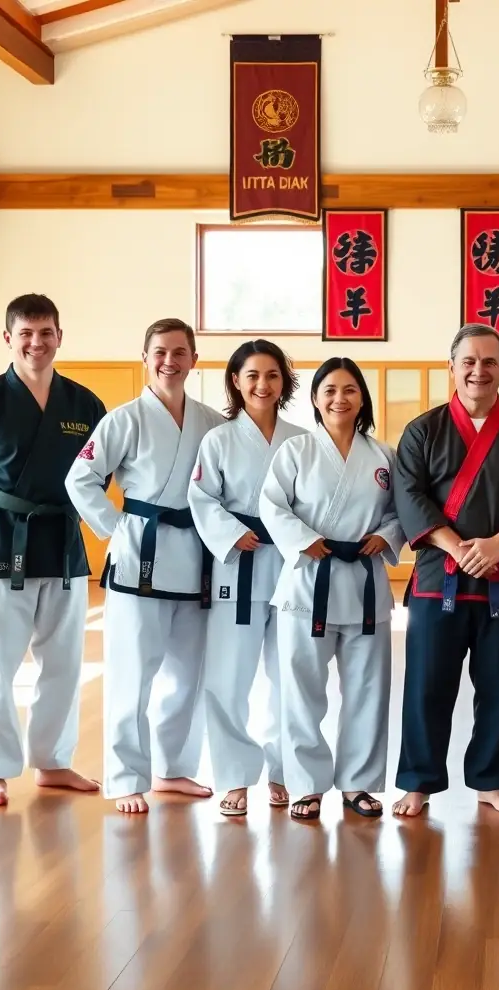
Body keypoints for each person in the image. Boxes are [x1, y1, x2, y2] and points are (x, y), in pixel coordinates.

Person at [0, 293, 106, 808]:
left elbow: (99, 472)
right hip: (1, 543)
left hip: (62, 543)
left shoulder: (84, 405)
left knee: (64, 660)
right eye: (26, 333)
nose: (37, 343)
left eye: (46, 332)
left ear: (60, 337)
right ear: (8, 338)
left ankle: (52, 761)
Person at [391, 324, 499, 818]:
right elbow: (409, 494)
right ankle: (418, 782)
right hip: (438, 577)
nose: (478, 371)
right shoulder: (424, 430)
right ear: (452, 367)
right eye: (468, 361)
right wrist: (456, 547)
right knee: (426, 686)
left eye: (489, 362)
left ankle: (491, 780)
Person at [65, 318, 224, 814]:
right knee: (132, 674)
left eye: (179, 352)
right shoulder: (124, 419)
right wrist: (115, 528)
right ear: (145, 357)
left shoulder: (212, 422)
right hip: (141, 557)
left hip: (196, 557)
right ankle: (125, 778)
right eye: (160, 352)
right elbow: (80, 478)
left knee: (187, 674)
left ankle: (172, 769)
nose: (169, 361)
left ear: (194, 359)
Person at [258, 358, 404, 822]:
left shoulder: (383, 456)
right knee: (301, 690)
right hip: (308, 584)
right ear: (316, 399)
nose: (340, 398)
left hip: (365, 585)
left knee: (368, 689)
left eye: (349, 390)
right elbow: (272, 505)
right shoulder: (296, 451)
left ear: (362, 398)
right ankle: (306, 785)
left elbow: (402, 510)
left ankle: (358, 783)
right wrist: (304, 540)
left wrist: (387, 535)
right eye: (330, 390)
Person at [188, 340, 308, 817]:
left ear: (285, 382)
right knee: (228, 677)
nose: (263, 385)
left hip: (291, 566)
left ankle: (283, 770)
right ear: (236, 381)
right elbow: (202, 497)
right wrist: (231, 533)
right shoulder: (218, 439)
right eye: (252, 375)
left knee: (289, 674)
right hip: (238, 564)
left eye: (272, 375)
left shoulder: (302, 440)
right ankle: (234, 777)